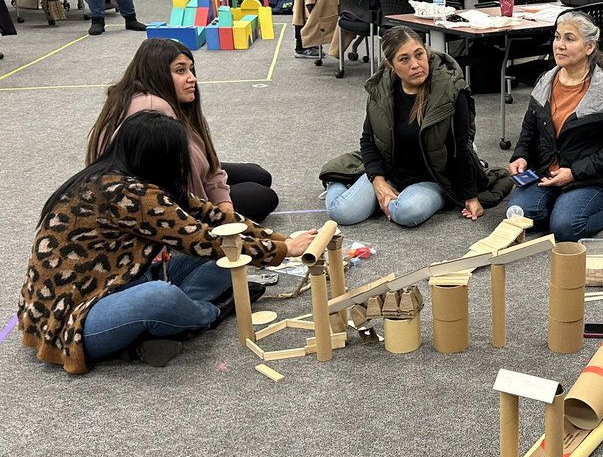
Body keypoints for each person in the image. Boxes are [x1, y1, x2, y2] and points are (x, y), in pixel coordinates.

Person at [18, 111, 317, 373]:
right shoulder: (131, 194)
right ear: (157, 158)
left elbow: (213, 218)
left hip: (119, 283)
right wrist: (283, 251)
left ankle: (161, 325)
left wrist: (281, 241)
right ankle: (209, 314)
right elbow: (202, 239)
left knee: (230, 259)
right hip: (74, 319)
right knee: (161, 296)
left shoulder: (132, 176)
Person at [320, 27, 513, 227]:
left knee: (405, 213)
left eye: (419, 55)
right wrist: (378, 181)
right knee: (340, 212)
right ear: (391, 65)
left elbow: (461, 146)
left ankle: (385, 194)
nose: (415, 65)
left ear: (426, 52)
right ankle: (337, 178)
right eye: (404, 59)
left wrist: (470, 196)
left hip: (435, 176)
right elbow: (368, 139)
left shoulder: (451, 88)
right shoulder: (381, 88)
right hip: (391, 170)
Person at [86, 38, 279, 222]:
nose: (192, 78)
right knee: (263, 196)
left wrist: (221, 195)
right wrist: (221, 211)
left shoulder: (140, 95)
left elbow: (206, 163)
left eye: (191, 70)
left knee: (258, 174)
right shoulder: (153, 110)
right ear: (156, 73)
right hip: (165, 202)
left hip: (186, 174)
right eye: (180, 71)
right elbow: (169, 192)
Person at [507, 11, 603, 242]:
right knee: (517, 215)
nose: (559, 46)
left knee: (565, 228)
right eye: (557, 37)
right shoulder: (545, 80)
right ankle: (560, 204)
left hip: (587, 177)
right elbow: (529, 132)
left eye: (569, 39)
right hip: (547, 171)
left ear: (590, 47)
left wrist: (573, 173)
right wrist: (521, 156)